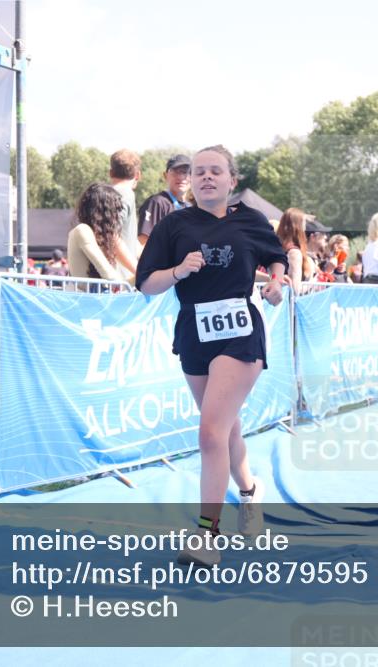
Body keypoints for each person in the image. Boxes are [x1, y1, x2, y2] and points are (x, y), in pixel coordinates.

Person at [136, 145, 287, 567]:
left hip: (240, 332)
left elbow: (278, 258)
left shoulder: (251, 221)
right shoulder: (175, 225)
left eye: (215, 171)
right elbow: (146, 283)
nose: (205, 177)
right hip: (194, 331)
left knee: (209, 433)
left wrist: (276, 284)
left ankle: (208, 535)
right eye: (198, 172)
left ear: (231, 180)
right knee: (224, 429)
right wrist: (179, 271)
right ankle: (250, 491)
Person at [67, 183, 137, 287]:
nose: (117, 216)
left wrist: (144, 276)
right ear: (104, 212)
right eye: (115, 210)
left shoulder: (104, 236)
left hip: (94, 299)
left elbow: (116, 281)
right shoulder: (82, 231)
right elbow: (110, 276)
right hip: (84, 300)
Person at [138, 154, 192, 246]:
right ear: (165, 175)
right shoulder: (157, 203)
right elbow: (143, 240)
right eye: (175, 172)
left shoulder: (191, 207)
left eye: (186, 172)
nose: (181, 177)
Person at [109, 149, 142, 258]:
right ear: (137, 175)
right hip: (120, 273)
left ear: (110, 173)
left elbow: (131, 243)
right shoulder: (125, 194)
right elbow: (112, 237)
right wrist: (136, 270)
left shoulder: (105, 194)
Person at [276, 207, 316, 292]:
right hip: (286, 303)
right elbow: (295, 290)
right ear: (298, 227)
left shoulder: (277, 248)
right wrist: (314, 281)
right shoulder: (294, 253)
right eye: (304, 225)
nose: (305, 229)